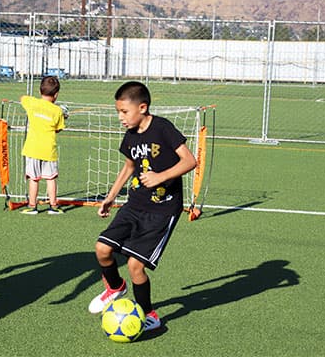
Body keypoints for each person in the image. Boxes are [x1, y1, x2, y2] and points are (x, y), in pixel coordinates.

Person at [88, 81, 197, 331]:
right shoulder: (130, 136)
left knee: (136, 265)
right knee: (102, 249)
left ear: (143, 107)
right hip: (134, 204)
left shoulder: (162, 128)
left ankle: (150, 315)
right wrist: (111, 196)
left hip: (162, 210)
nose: (120, 117)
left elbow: (190, 160)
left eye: (124, 112)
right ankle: (115, 287)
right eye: (118, 112)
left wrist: (161, 177)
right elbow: (128, 167)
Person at [19, 76, 67, 214]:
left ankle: (32, 206)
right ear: (56, 94)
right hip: (49, 150)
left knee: (34, 179)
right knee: (51, 178)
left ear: (40, 91)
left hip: (32, 149)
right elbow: (58, 128)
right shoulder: (57, 111)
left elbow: (23, 98)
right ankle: (53, 206)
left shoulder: (32, 103)